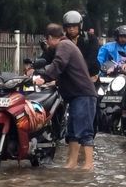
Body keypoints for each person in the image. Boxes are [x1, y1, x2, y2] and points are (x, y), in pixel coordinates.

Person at [33, 23, 97, 170]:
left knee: (85, 131)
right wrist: (53, 81)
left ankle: (89, 165)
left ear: (49, 38)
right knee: (73, 132)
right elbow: (66, 70)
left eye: (47, 41)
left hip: (84, 95)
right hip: (75, 95)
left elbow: (59, 64)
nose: (47, 44)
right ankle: (71, 163)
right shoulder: (67, 45)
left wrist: (45, 77)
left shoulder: (64, 46)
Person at [62, 10, 100, 81]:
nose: (71, 29)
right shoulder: (62, 41)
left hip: (89, 77)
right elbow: (53, 58)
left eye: (74, 26)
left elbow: (92, 58)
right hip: (68, 79)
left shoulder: (91, 38)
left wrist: (77, 70)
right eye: (68, 26)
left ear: (80, 25)